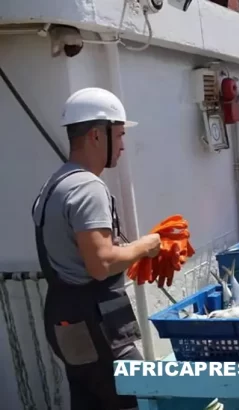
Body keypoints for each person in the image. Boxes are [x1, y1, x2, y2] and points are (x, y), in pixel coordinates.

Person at [31, 87, 161, 410]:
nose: (122, 146)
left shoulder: (54, 185)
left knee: (89, 398)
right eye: (117, 136)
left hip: (64, 320)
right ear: (95, 136)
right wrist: (147, 245)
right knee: (143, 398)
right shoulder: (88, 188)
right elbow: (100, 263)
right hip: (96, 326)